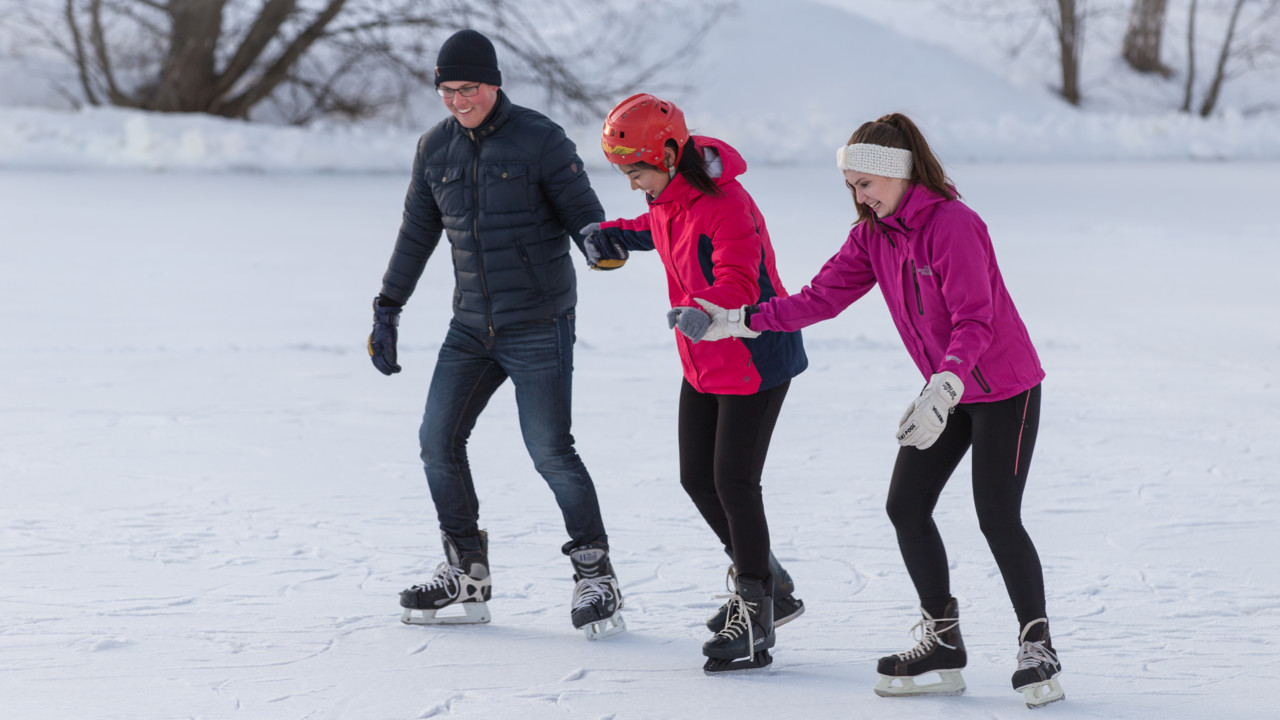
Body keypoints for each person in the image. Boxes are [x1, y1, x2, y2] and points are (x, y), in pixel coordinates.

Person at [696, 113, 1063, 706]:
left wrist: (945, 384)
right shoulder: (874, 236)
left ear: (899, 173)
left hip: (1002, 388)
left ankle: (1037, 645)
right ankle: (943, 641)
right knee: (906, 507)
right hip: (946, 392)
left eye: (865, 184)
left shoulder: (954, 225)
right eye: (852, 187)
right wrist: (740, 320)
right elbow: (820, 298)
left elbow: (976, 318)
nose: (859, 197)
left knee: (997, 516)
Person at [367, 28, 624, 640]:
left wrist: (598, 243)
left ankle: (596, 574)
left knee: (549, 450)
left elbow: (583, 212)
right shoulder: (435, 148)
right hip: (469, 326)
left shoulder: (540, 138)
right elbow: (416, 234)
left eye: (470, 89)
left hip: (539, 320)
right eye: (448, 91)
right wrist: (388, 307)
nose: (459, 101)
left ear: (494, 83)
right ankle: (466, 569)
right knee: (437, 441)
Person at [584, 93, 808, 672]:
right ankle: (771, 585)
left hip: (754, 356)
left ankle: (756, 614)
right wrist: (613, 233)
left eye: (636, 171)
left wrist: (704, 308)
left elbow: (741, 278)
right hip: (704, 360)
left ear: (667, 154)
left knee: (734, 481)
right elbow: (658, 228)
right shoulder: (669, 197)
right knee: (696, 478)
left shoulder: (727, 204)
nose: (633, 184)